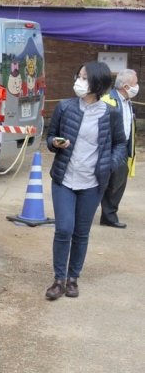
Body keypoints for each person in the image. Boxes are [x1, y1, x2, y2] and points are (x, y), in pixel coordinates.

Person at [44, 61, 127, 301]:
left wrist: (109, 164)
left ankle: (73, 279)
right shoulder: (65, 107)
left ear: (97, 84)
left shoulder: (110, 113)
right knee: (63, 228)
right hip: (64, 178)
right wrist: (55, 143)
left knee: (81, 233)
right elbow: (50, 137)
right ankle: (58, 280)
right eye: (78, 76)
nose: (78, 82)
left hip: (92, 183)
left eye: (84, 78)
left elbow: (120, 143)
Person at [99, 68, 138, 228]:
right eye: (135, 83)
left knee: (119, 183)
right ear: (126, 86)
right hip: (111, 148)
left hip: (124, 148)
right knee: (104, 183)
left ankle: (109, 215)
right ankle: (106, 214)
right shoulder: (108, 100)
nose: (138, 86)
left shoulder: (128, 102)